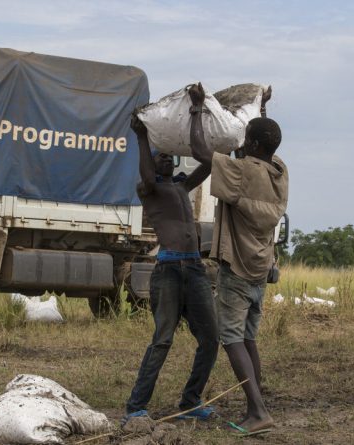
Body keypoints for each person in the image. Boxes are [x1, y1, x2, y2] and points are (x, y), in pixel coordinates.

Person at [188, 83, 288, 436]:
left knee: (230, 339)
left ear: (256, 146)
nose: (241, 143)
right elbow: (264, 142)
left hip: (237, 270)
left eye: (247, 139)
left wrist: (198, 109)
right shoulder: (279, 173)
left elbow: (201, 151)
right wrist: (261, 110)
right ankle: (255, 406)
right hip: (260, 270)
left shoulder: (242, 172)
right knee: (247, 339)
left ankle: (258, 412)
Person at [122, 114, 219, 424]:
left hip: (194, 268)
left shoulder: (181, 185)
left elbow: (208, 164)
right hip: (168, 270)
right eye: (160, 156)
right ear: (151, 162)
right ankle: (136, 406)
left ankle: (191, 401)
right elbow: (148, 177)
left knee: (211, 338)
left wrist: (197, 115)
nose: (166, 160)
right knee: (163, 339)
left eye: (169, 156)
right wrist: (141, 138)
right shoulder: (147, 188)